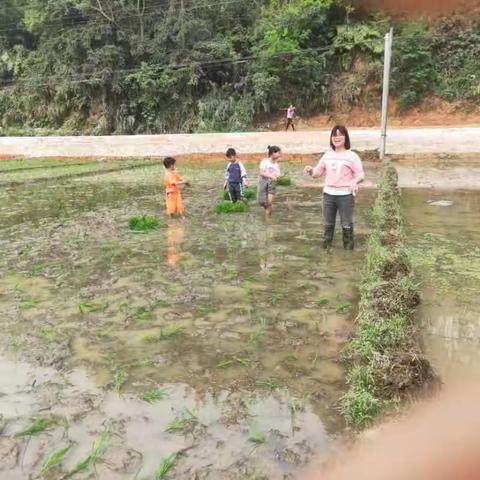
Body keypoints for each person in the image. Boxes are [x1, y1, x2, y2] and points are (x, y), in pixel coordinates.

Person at [304, 125, 364, 250]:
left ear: (345, 137)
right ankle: (326, 251)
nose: (337, 138)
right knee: (328, 225)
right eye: (334, 135)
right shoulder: (327, 155)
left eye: (340, 135)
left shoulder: (352, 156)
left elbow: (360, 174)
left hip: (345, 196)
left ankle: (348, 253)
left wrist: (355, 181)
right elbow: (317, 173)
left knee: (346, 224)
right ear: (331, 138)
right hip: (328, 195)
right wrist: (310, 170)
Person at [258, 145, 281, 217]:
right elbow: (261, 172)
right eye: (278, 153)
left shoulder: (277, 165)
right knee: (261, 202)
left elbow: (278, 175)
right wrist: (270, 176)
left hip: (272, 184)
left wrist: (277, 177)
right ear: (273, 153)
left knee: (269, 202)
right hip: (263, 183)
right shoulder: (264, 161)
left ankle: (267, 219)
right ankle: (269, 212)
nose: (279, 154)